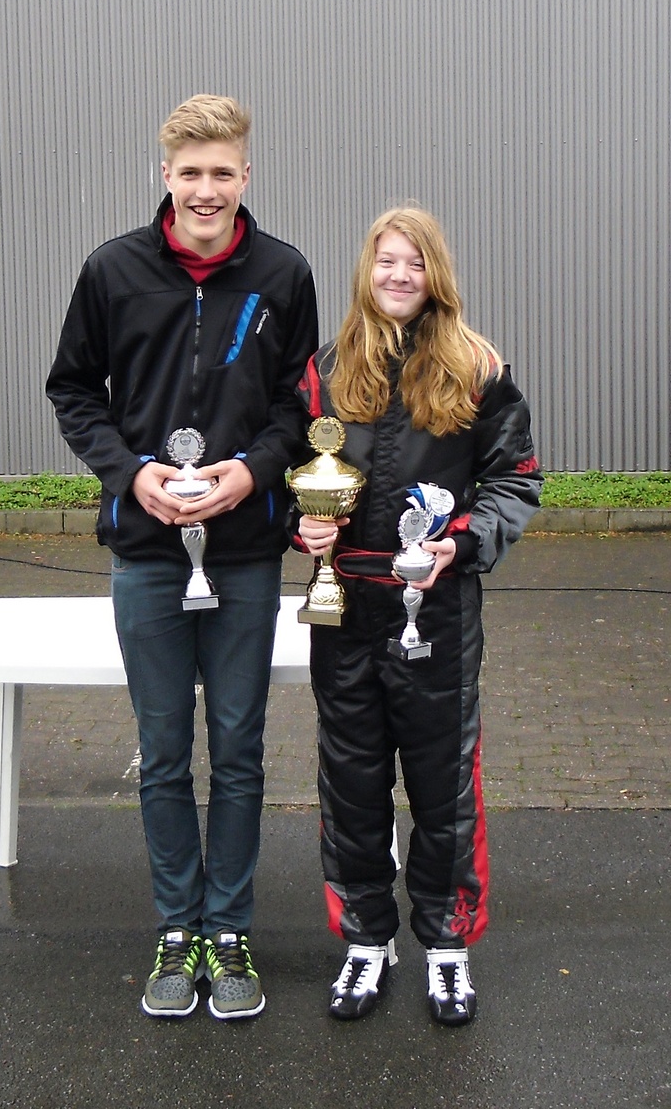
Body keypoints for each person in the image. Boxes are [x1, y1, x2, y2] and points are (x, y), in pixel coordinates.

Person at [46, 94, 318, 1020]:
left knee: (238, 749)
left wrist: (252, 470)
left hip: (243, 552)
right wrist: (133, 476)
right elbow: (74, 390)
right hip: (148, 550)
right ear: (164, 175)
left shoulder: (283, 273)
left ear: (248, 175)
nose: (207, 190)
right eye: (190, 173)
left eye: (224, 172)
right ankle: (177, 926)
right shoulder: (112, 270)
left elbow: (296, 405)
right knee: (164, 751)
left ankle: (229, 927)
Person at [296, 206, 541, 1025]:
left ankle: (446, 943)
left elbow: (515, 482)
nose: (398, 276)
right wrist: (301, 524)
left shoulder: (480, 368)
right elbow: (287, 469)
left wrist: (460, 544)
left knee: (442, 788)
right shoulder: (324, 371)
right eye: (384, 262)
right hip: (342, 607)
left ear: (437, 273)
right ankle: (366, 941)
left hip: (434, 608)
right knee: (353, 780)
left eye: (414, 263)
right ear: (366, 272)